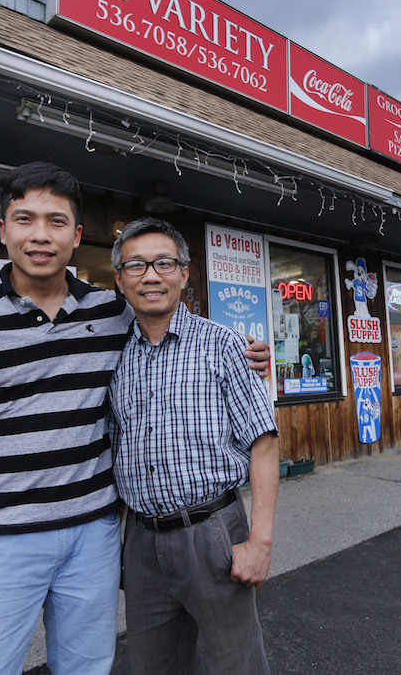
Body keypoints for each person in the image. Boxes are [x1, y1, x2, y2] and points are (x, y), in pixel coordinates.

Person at [0, 163, 269, 675]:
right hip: (3, 540)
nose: (39, 235)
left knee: (87, 668)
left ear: (76, 237)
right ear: (3, 229)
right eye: (24, 219)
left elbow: (168, 324)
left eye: (56, 221)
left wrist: (245, 351)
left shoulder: (110, 312)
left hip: (95, 535)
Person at [108, 217, 279, 675]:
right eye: (136, 266)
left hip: (212, 531)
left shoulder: (223, 345)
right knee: (154, 665)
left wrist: (259, 542)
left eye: (164, 263)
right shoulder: (113, 355)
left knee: (235, 664)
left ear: (185, 273)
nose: (150, 275)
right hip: (141, 540)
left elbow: (263, 442)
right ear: (120, 281)